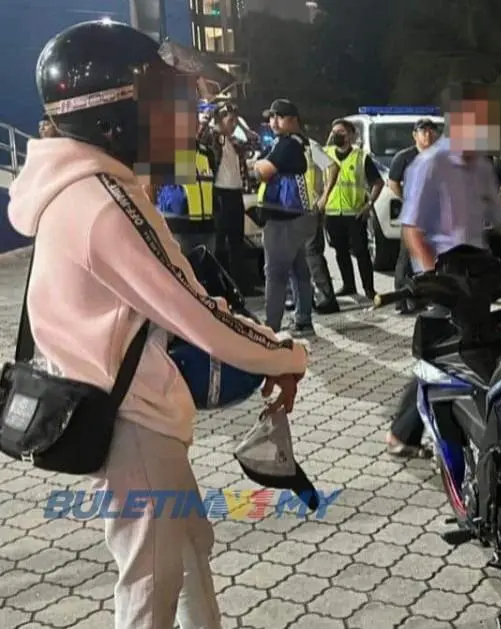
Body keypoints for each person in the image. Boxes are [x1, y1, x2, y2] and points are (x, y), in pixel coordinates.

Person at [9, 20, 308, 628]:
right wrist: (287, 354)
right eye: (168, 105)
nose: (187, 121)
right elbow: (194, 311)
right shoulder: (104, 203)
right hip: (132, 424)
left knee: (186, 550)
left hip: (118, 412)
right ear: (115, 117)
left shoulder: (80, 191)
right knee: (150, 584)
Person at [387, 81, 501, 455]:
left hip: (475, 267)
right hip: (442, 268)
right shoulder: (430, 163)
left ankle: (408, 432)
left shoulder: (480, 166)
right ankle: (413, 432)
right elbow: (412, 228)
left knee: (463, 346)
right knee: (443, 349)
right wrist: (429, 275)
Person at [254, 98, 328, 333]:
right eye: (271, 117)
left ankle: (270, 328)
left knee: (275, 274)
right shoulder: (308, 144)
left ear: (293, 120)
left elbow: (265, 172)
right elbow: (331, 166)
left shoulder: (286, 144)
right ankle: (303, 320)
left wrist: (254, 165)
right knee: (299, 270)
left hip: (284, 216)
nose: (273, 121)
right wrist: (322, 198)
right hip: (303, 215)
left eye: (279, 116)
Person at [199, 103, 259, 296]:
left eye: (235, 120)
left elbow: (252, 141)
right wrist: (211, 119)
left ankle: (241, 286)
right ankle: (219, 288)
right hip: (219, 194)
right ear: (219, 119)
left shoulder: (232, 141)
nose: (233, 124)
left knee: (237, 243)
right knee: (219, 245)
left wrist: (240, 125)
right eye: (230, 120)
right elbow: (198, 139)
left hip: (235, 194)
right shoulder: (212, 138)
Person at [321, 119, 382, 300]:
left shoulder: (361, 157)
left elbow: (377, 182)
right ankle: (349, 285)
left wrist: (369, 204)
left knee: (361, 252)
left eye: (341, 132)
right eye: (334, 132)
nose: (336, 136)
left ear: (350, 135)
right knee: (340, 252)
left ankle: (369, 289)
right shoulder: (325, 154)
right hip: (332, 213)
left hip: (354, 213)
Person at [386, 117, 440, 314]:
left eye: (431, 131)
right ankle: (401, 300)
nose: (428, 135)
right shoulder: (405, 157)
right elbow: (393, 182)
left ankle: (423, 299)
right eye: (423, 131)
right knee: (407, 257)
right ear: (414, 135)